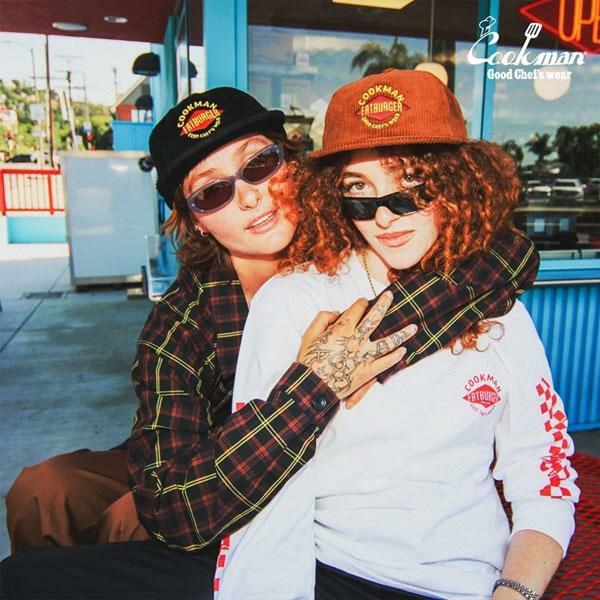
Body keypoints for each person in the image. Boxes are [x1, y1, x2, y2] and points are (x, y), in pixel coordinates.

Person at [1, 82, 539, 600]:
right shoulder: (181, 323)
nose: (250, 196)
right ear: (195, 221)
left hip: (335, 492)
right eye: (212, 192)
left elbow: (504, 253)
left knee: (122, 525)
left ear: (295, 164)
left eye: (260, 164)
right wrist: (319, 381)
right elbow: (174, 500)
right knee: (45, 489)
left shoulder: (364, 228)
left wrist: (367, 341)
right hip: (214, 459)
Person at [216, 70, 579, 600]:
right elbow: (268, 490)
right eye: (358, 190)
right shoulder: (294, 301)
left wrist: (514, 592)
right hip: (331, 569)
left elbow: (543, 475)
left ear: (457, 182)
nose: (384, 216)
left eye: (410, 182)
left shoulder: (500, 310)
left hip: (467, 582)